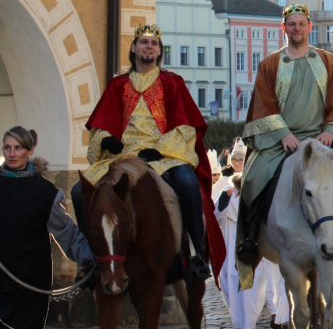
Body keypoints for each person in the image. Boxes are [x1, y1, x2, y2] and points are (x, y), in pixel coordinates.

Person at [70, 24, 222, 285]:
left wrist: (161, 148)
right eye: (143, 42)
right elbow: (100, 126)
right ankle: (92, 260)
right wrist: (107, 140)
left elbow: (186, 128)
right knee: (77, 192)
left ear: (159, 51)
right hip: (123, 157)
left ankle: (197, 252)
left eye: (154, 43)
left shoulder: (172, 83)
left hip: (163, 155)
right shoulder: (117, 85)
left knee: (186, 183)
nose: (148, 46)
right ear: (134, 47)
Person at [237, 4, 333, 268]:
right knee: (252, 179)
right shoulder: (269, 65)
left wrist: (330, 131)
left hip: (324, 139)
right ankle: (250, 240)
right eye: (291, 24)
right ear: (284, 29)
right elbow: (263, 104)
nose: (297, 28)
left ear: (309, 27)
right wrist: (283, 134)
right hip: (282, 142)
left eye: (301, 24)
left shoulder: (330, 62)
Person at [1, 127, 95, 329]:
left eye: (18, 148)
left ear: (29, 151)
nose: (12, 154)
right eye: (7, 148)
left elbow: (65, 232)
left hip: (31, 278)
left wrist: (92, 259)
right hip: (0, 277)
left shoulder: (44, 192)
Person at [214, 158, 274, 329]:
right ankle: (240, 324)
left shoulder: (259, 197)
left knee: (250, 290)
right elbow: (216, 215)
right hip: (230, 242)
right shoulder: (228, 194)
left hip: (250, 246)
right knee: (230, 284)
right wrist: (225, 198)